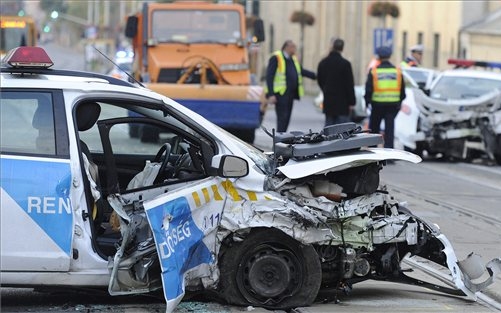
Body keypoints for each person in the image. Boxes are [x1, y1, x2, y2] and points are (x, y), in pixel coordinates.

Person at [265, 40, 316, 133]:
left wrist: (315, 75)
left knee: (287, 118)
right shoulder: (277, 57)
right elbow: (269, 76)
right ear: (287, 47)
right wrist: (271, 94)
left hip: (290, 95)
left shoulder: (293, 59)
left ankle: (283, 139)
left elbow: (301, 71)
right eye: (293, 47)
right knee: (282, 118)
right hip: (280, 94)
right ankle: (279, 141)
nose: (295, 49)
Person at [364, 46, 406, 149]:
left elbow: (368, 89)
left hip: (377, 105)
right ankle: (389, 150)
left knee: (374, 129)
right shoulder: (397, 72)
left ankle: (373, 151)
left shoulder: (374, 72)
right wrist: (399, 102)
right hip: (392, 106)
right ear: (390, 56)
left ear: (379, 57)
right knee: (389, 129)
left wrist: (367, 102)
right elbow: (402, 91)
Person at [317, 38, 356, 126]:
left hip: (329, 100)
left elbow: (320, 80)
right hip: (343, 103)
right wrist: (352, 102)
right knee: (342, 130)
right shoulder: (345, 64)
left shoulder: (323, 63)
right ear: (342, 49)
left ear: (332, 47)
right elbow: (349, 84)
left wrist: (325, 90)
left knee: (329, 129)